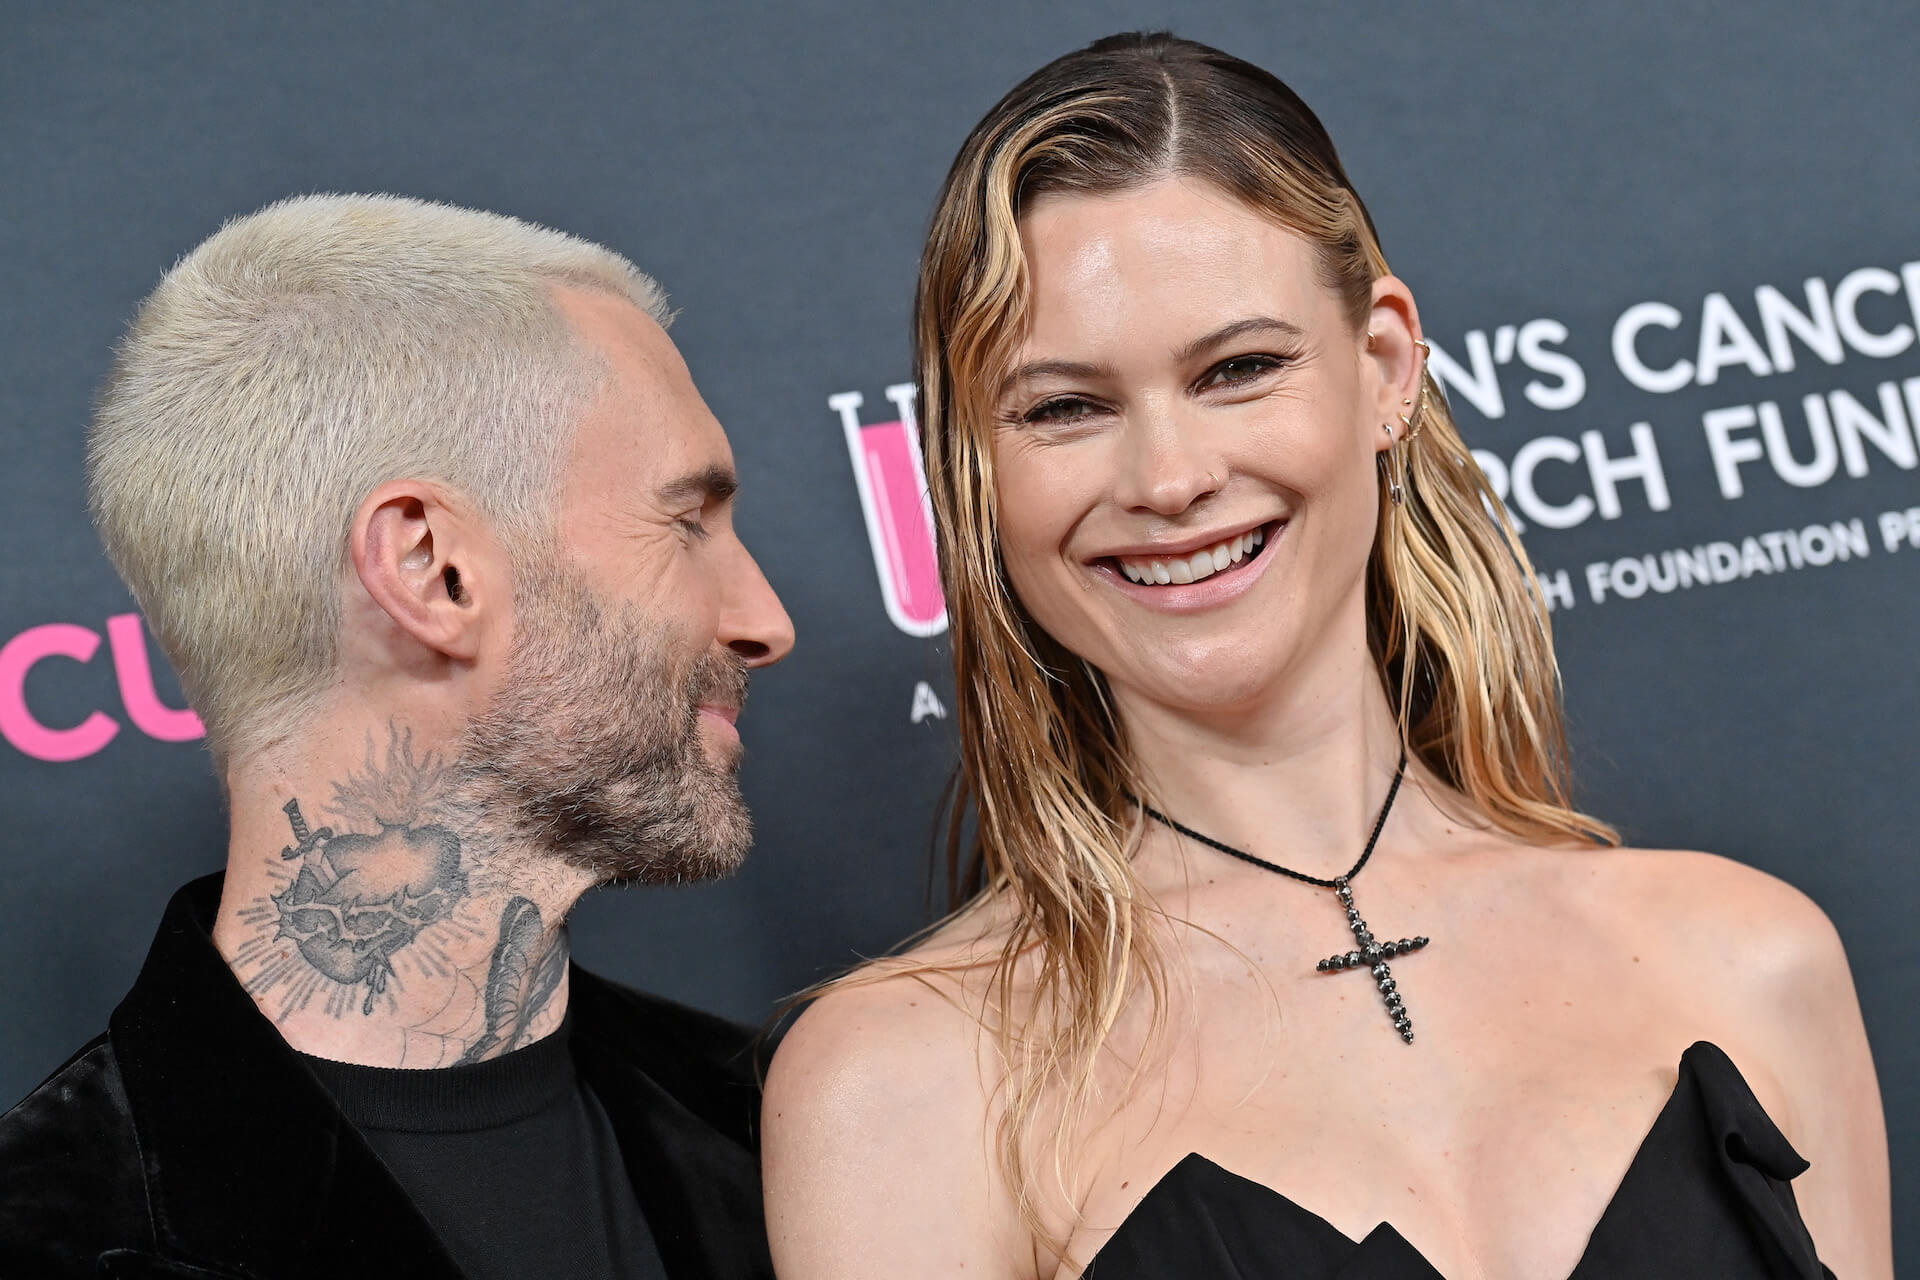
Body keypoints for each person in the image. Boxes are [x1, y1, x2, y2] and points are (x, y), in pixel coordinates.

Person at [761, 32, 1891, 1280]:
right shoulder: (901, 1084)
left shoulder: (1748, 956)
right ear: (972, 471)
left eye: (1239, 368)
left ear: (1385, 366)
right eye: (1065, 407)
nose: (1172, 478)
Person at [0, 194, 793, 1280]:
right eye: (687, 520)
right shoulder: (60, 1230)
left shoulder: (791, 1137)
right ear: (432, 568)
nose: (765, 619)